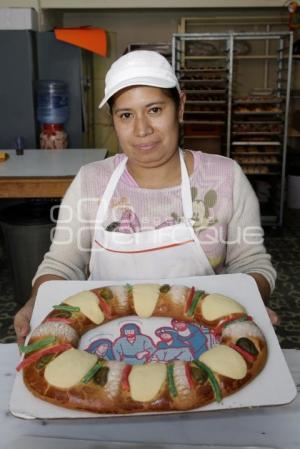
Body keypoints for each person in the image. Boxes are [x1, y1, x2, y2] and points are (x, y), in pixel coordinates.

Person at [14, 50, 278, 345]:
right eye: (126, 115)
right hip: (104, 343)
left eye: (155, 110)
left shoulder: (224, 177)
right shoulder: (92, 181)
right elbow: (62, 265)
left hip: (203, 342)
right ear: (113, 120)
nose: (142, 129)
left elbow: (252, 264)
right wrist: (37, 300)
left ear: (180, 107)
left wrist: (247, 304)